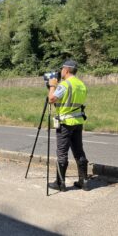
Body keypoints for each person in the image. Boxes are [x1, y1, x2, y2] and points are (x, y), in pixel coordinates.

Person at [48, 60, 89, 192]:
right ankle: (84, 181)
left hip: (65, 123)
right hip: (77, 122)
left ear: (66, 70)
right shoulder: (81, 84)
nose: (60, 72)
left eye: (61, 69)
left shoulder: (65, 85)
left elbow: (52, 99)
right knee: (79, 151)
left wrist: (52, 86)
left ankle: (60, 183)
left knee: (62, 152)